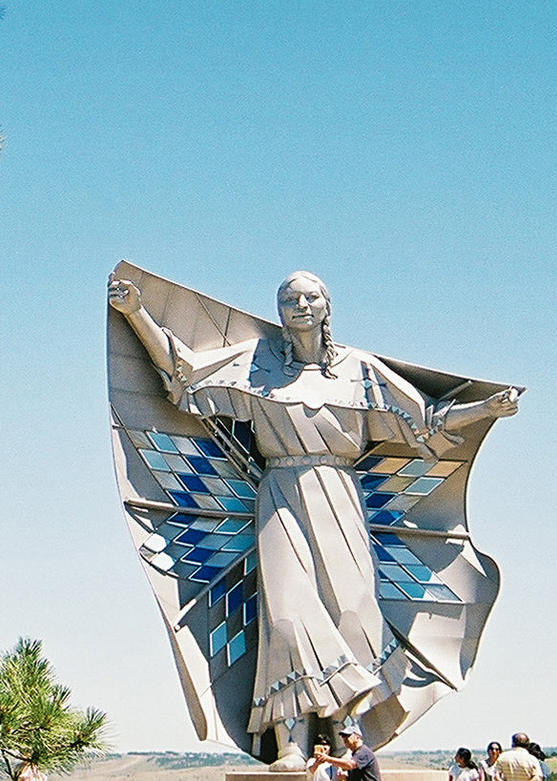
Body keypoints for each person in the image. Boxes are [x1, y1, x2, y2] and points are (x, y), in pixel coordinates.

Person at [108, 271, 519, 768]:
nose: (300, 305)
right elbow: (185, 378)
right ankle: (291, 742)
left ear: (327, 307)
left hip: (341, 497)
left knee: (352, 611)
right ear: (279, 311)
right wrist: (136, 314)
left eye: (310, 297)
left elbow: (423, 423)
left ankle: (348, 734)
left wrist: (482, 410)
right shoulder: (255, 367)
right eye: (289, 299)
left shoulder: (360, 370)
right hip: (280, 495)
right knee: (285, 614)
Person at [314, 727, 381, 781]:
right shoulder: (355, 754)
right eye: (343, 736)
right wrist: (346, 778)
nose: (344, 738)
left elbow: (350, 764)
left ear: (357, 737)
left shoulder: (363, 752)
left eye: (348, 736)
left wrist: (328, 759)